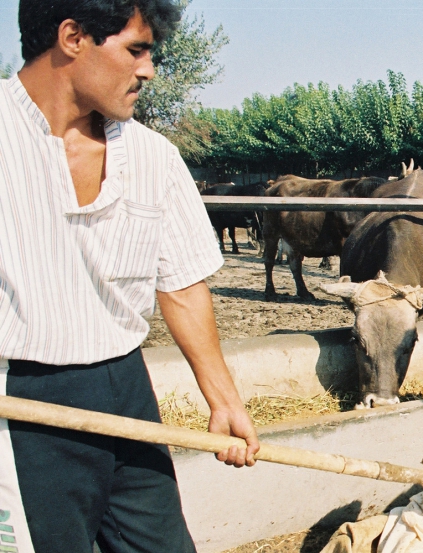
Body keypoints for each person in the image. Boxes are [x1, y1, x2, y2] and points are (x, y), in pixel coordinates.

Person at [0, 1, 260, 552]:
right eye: (136, 50)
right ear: (72, 38)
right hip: (20, 402)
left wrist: (224, 400)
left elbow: (183, 285)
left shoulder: (153, 158)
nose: (148, 69)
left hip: (125, 388)